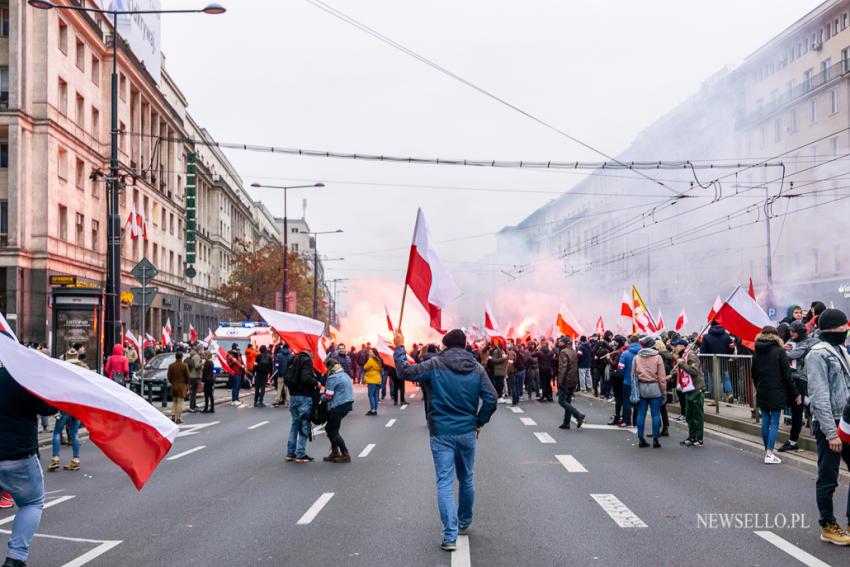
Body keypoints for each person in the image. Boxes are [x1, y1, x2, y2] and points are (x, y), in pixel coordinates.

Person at [392, 329, 497, 552]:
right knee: (466, 478)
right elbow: (492, 398)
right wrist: (479, 421)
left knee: (444, 482)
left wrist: (400, 347)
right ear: (465, 345)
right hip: (468, 430)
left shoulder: (435, 364)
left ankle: (450, 536)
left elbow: (404, 372)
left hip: (441, 431)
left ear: (445, 345)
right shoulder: (477, 368)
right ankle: (464, 522)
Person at [0, 366, 58, 567]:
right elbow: (49, 408)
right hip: (17, 455)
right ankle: (15, 557)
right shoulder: (21, 376)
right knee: (32, 503)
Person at [805, 308, 850, 545]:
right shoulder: (817, 354)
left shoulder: (839, 349)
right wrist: (831, 433)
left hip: (846, 423)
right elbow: (819, 396)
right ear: (835, 327)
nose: (847, 329)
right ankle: (828, 526)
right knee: (828, 477)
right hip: (830, 425)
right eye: (844, 326)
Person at [751, 326, 799, 464]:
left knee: (765, 421)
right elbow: (787, 375)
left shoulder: (757, 351)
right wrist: (796, 392)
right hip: (777, 390)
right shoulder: (779, 351)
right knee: (774, 422)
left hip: (762, 389)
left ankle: (767, 451)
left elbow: (754, 373)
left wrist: (757, 387)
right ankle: (769, 453)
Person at [777, 320, 819, 452]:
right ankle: (811, 404)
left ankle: (793, 441)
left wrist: (779, 350)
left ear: (800, 331)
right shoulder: (791, 339)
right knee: (795, 405)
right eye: (790, 331)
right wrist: (782, 348)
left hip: (800, 379)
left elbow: (793, 354)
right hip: (790, 378)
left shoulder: (806, 342)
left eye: (794, 331)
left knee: (796, 410)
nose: (791, 333)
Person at [286, 349, 320, 463]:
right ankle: (300, 453)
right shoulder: (306, 361)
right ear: (309, 351)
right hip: (304, 397)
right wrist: (316, 382)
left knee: (295, 424)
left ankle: (290, 453)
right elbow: (306, 379)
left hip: (293, 396)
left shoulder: (292, 359)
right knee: (304, 425)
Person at [634, 336, 666, 448]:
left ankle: (641, 438)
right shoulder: (658, 357)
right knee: (656, 414)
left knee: (641, 413)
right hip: (655, 387)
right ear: (653, 345)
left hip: (642, 387)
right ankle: (656, 439)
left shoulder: (637, 357)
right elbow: (662, 377)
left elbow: (633, 375)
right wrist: (664, 391)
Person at [672, 339, 705, 447]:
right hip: (688, 389)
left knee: (697, 415)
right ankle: (691, 436)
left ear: (682, 346)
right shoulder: (683, 356)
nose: (674, 348)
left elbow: (694, 371)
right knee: (689, 415)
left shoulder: (690, 355)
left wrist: (682, 363)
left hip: (696, 388)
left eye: (675, 346)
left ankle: (699, 438)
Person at [322, 356, 354, 463]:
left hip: (338, 406)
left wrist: (320, 398)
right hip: (347, 404)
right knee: (329, 428)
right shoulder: (345, 375)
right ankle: (335, 452)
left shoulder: (333, 378)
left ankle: (345, 453)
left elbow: (328, 396)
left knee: (333, 431)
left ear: (330, 367)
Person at [700, 321, 735, 402]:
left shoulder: (706, 337)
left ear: (711, 325)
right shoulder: (726, 336)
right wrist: (727, 356)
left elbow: (702, 351)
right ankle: (730, 394)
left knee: (714, 380)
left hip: (711, 362)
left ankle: (716, 399)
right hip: (724, 361)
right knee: (726, 379)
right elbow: (732, 348)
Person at [556, 337, 585, 430]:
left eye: (560, 342)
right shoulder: (573, 351)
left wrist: (560, 381)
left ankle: (578, 415)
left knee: (562, 401)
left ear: (563, 343)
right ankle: (566, 423)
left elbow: (563, 368)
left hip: (566, 380)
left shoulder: (563, 352)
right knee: (568, 401)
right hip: (573, 380)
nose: (559, 344)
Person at [617, 336, 641, 427]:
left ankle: (627, 421)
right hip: (640, 381)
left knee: (627, 402)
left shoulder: (625, 353)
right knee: (638, 402)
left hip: (627, 381)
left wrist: (625, 375)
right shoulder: (642, 353)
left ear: (629, 342)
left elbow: (620, 368)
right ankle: (637, 421)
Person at [167, 351, 190, 424]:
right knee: (180, 402)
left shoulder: (171, 365)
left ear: (175, 357)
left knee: (174, 401)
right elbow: (188, 376)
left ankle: (173, 415)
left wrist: (172, 382)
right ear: (182, 357)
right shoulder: (184, 365)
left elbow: (169, 376)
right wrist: (186, 383)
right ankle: (178, 418)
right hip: (182, 385)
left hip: (174, 385)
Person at [363, 348, 383, 415]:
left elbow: (365, 367)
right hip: (378, 378)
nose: (369, 353)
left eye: (371, 352)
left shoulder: (371, 360)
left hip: (372, 379)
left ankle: (373, 410)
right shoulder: (379, 360)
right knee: (375, 395)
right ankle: (375, 409)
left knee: (370, 394)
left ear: (374, 353)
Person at [273, 343, 293, 408]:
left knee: (279, 388)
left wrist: (276, 372)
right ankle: (288, 402)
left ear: (282, 348)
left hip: (280, 374)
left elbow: (276, 365)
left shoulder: (278, 355)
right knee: (288, 389)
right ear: (288, 348)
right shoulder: (291, 355)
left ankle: (277, 402)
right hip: (288, 375)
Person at [186, 347, 203, 413]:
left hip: (193, 376)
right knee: (193, 392)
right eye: (202, 349)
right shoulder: (196, 356)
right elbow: (196, 366)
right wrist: (202, 363)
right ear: (199, 350)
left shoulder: (195, 355)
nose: (203, 350)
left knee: (194, 392)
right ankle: (192, 407)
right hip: (194, 376)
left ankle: (194, 406)